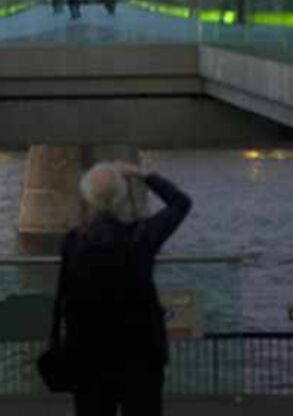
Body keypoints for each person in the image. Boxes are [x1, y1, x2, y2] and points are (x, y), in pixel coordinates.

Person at [54, 163, 192, 416]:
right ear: (120, 196)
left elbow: (67, 299)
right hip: (141, 354)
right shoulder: (142, 236)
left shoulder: (73, 243)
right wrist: (144, 175)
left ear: (88, 197)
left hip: (88, 356)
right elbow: (181, 203)